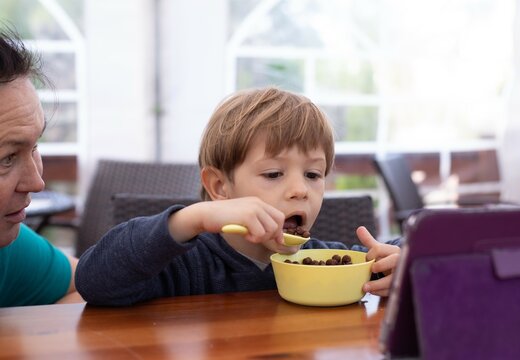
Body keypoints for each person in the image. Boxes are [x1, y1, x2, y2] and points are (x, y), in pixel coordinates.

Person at [75, 87, 401, 306]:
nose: (301, 189)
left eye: (313, 175)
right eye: (274, 174)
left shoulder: (328, 262)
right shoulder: (187, 266)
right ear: (219, 187)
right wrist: (192, 217)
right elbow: (93, 281)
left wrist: (405, 265)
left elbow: (412, 258)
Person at [0, 27, 79, 306]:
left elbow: (87, 287)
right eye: (6, 158)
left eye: (34, 146)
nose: (36, 182)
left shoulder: (8, 249)